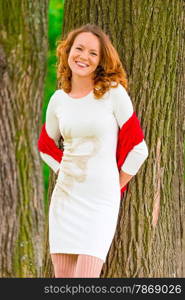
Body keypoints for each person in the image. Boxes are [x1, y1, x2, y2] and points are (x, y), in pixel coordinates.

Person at [37, 23, 149, 278]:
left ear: (101, 61)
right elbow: (45, 146)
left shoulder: (113, 94)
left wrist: (114, 185)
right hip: (65, 200)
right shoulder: (58, 100)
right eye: (79, 49)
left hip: (100, 202)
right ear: (67, 51)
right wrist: (63, 169)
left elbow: (139, 149)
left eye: (92, 53)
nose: (83, 56)